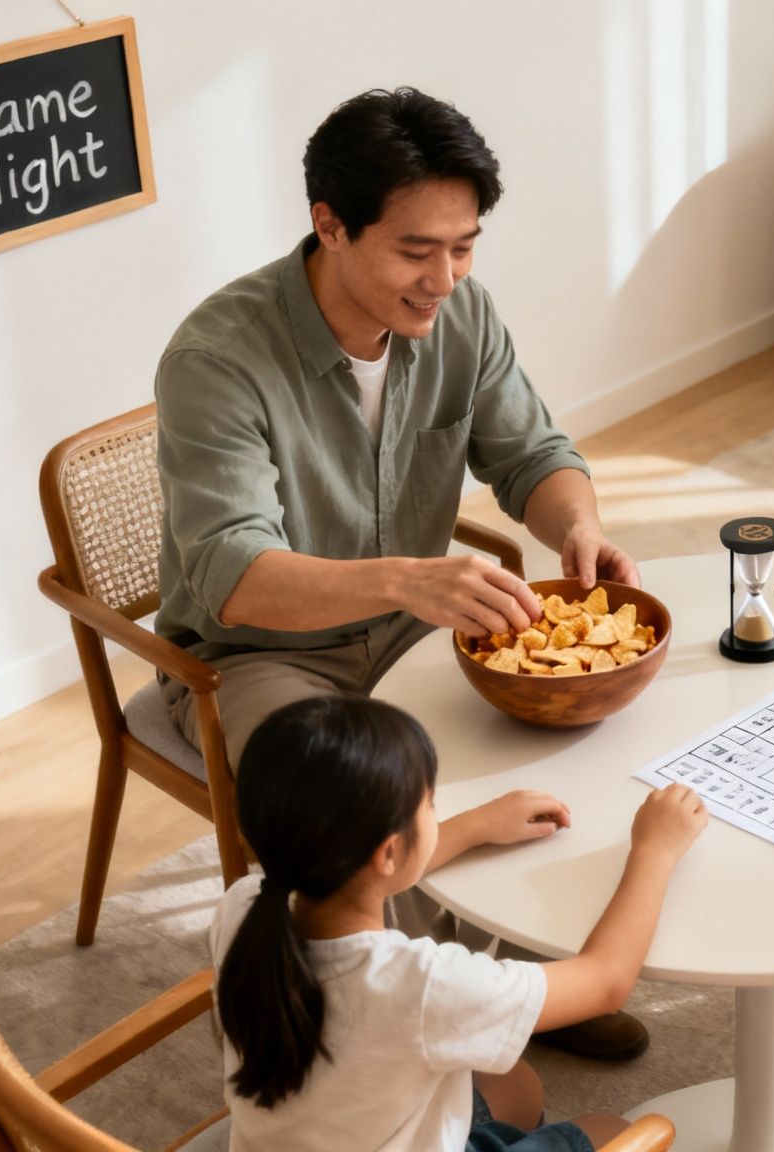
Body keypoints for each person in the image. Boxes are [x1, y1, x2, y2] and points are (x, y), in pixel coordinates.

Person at [154, 87, 647, 1058]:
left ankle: (516, 986)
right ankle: (426, 1035)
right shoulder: (218, 357)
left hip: (412, 632)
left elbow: (532, 452)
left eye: (463, 246)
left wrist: (576, 527)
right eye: (416, 251)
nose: (444, 278)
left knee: (567, 742)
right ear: (328, 225)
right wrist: (405, 582)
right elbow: (229, 574)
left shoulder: (461, 315)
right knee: (357, 821)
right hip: (259, 657)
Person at [212, 695, 709, 1152]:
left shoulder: (242, 907)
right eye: (429, 804)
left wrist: (474, 826)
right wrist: (655, 850)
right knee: (615, 1130)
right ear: (387, 852)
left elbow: (354, 873)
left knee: (516, 1085)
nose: (435, 812)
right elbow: (606, 982)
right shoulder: (424, 987)